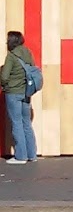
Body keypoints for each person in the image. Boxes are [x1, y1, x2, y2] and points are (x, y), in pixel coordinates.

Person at [1, 30, 38, 164]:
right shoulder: (27, 53)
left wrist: (4, 83)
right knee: (26, 123)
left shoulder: (11, 56)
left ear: (11, 41)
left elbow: (4, 77)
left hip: (13, 93)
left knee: (16, 123)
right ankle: (32, 155)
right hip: (26, 93)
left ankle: (20, 156)